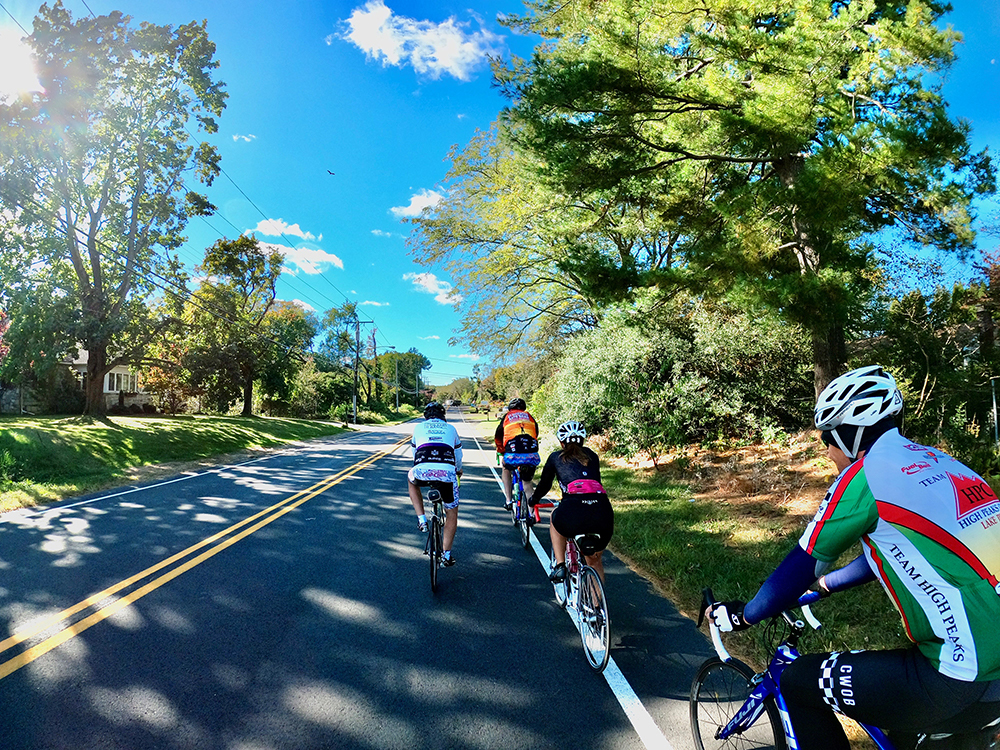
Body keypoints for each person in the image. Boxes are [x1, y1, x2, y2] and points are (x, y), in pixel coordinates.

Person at [707, 365, 1000, 750]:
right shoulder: (945, 465)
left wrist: (743, 615)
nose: (828, 451)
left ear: (852, 435)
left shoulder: (863, 477)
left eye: (828, 438)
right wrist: (828, 585)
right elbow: (905, 552)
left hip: (959, 674)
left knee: (796, 680)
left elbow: (796, 569)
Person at [529, 421, 614, 584]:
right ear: (582, 440)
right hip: (602, 511)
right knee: (594, 560)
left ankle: (560, 566)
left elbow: (545, 485)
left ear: (561, 442)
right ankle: (598, 607)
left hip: (573, 509)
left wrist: (533, 500)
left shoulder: (556, 457)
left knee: (555, 517)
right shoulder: (592, 456)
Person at [408, 402, 463, 566]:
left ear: (426, 416)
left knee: (411, 480)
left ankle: (422, 519)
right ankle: (446, 555)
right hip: (446, 473)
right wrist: (458, 470)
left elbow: (414, 454)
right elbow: (458, 457)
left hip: (422, 471)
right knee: (451, 512)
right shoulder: (451, 429)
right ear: (443, 416)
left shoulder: (418, 428)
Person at [494, 397, 540, 510]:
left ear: (510, 409)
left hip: (513, 450)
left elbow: (498, 436)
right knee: (527, 482)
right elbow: (536, 433)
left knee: (506, 468)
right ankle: (532, 513)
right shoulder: (529, 416)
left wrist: (501, 451)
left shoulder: (507, 417)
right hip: (530, 451)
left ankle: (508, 500)